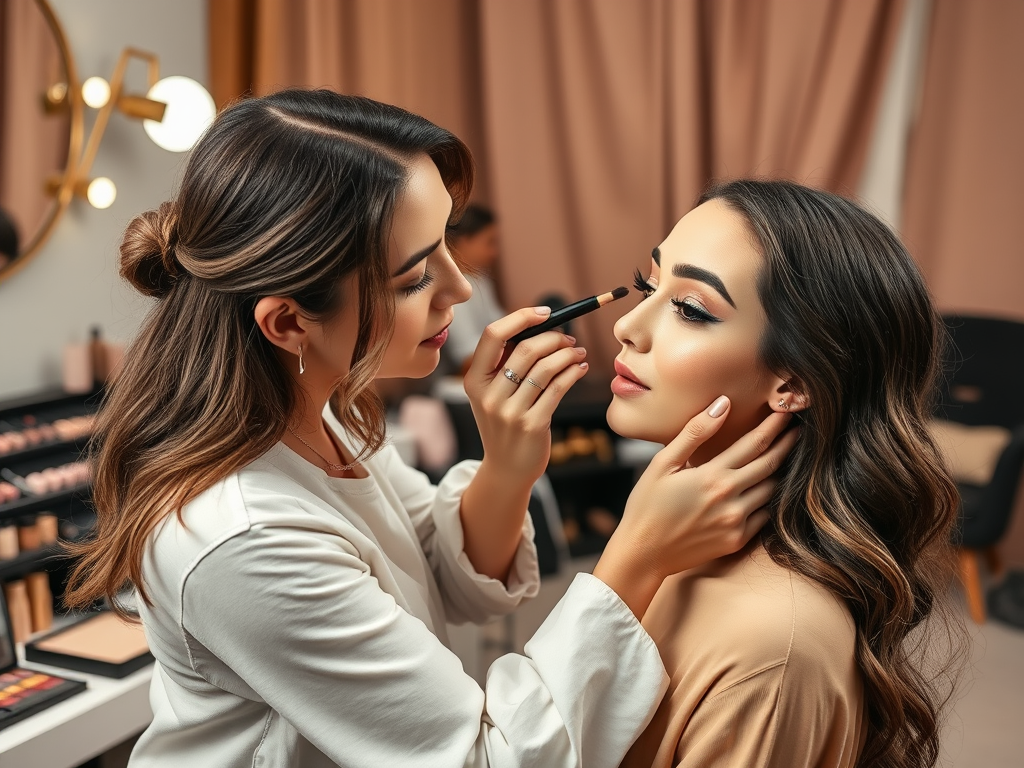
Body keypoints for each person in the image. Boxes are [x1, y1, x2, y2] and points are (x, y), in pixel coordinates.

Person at [62, 90, 796, 768]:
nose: (463, 288)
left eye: (447, 240)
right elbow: (484, 758)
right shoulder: (240, 537)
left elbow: (445, 579)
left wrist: (509, 464)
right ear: (289, 322)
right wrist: (636, 552)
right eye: (415, 278)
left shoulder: (320, 416)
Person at [612, 179, 963, 768]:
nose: (629, 325)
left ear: (794, 382)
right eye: (649, 283)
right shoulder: (679, 540)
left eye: (690, 309)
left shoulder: (774, 647)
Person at [442, 203, 504, 375]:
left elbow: (499, 324)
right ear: (464, 241)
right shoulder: (448, 286)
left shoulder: (481, 280)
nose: (494, 252)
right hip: (455, 388)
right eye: (490, 242)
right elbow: (466, 358)